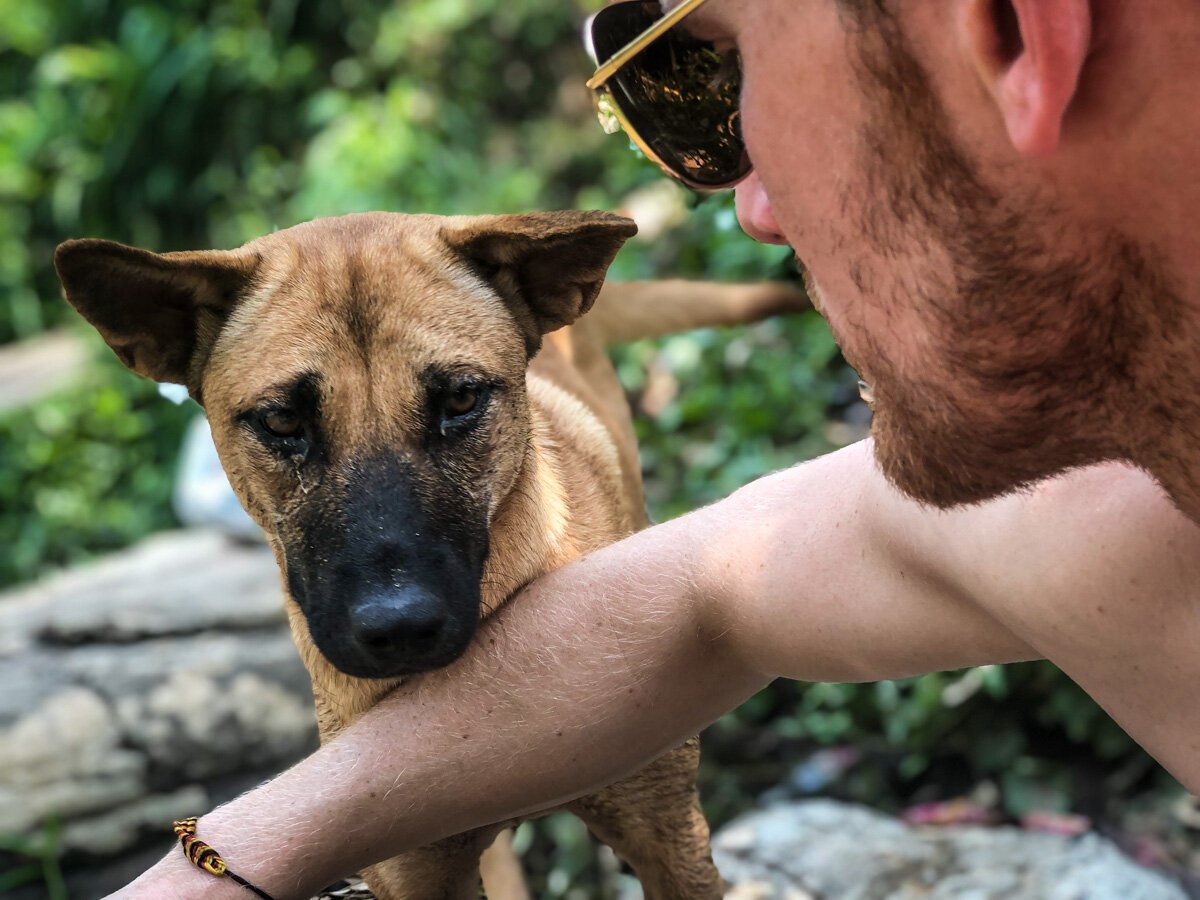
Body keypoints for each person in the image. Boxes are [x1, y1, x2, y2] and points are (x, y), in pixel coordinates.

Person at [114, 1, 1200, 897]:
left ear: (1020, 32)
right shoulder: (1101, 512)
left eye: (706, 80)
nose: (749, 207)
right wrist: (224, 862)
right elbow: (704, 594)